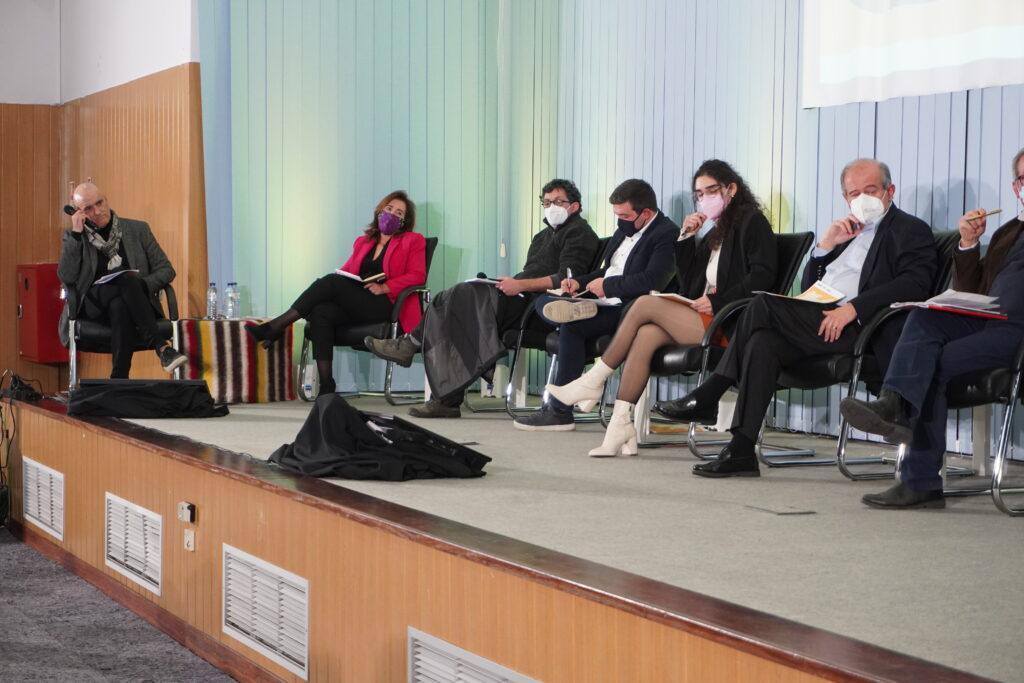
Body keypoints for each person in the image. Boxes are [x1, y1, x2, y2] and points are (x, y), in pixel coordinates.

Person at [656, 158, 938, 478]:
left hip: (859, 327)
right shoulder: (846, 231)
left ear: (890, 191)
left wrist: (854, 308)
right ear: (845, 198)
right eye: (853, 193)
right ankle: (741, 450)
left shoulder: (909, 229)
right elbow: (809, 288)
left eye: (870, 190)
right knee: (763, 342)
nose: (861, 199)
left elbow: (915, 283)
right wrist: (824, 247)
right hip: (818, 318)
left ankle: (709, 393)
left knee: (760, 305)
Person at [542, 161, 778, 452]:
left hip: (730, 322)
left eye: (711, 191)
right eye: (699, 194)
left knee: (644, 303)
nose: (704, 198)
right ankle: (619, 425)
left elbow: (763, 277)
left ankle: (594, 379)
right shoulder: (717, 231)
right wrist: (687, 238)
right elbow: (689, 282)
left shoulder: (752, 222)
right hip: (702, 314)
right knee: (646, 334)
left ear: (731, 189)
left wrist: (717, 301)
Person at [842, 148, 1024, 509]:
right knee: (922, 317)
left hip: (1016, 333)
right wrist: (968, 245)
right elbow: (972, 289)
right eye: (1023, 178)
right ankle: (892, 403)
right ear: (1016, 187)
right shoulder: (1009, 231)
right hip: (986, 318)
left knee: (932, 363)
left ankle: (920, 480)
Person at [364, 179, 601, 418]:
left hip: (544, 307)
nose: (551, 207)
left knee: (461, 297)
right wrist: (511, 283)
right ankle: (444, 396)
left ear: (574, 206)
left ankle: (412, 349)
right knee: (451, 300)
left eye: (558, 202)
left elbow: (566, 279)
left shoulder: (579, 233)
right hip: (520, 298)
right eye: (547, 202)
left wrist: (518, 284)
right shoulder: (542, 237)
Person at [511, 178, 679, 431]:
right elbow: (607, 271)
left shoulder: (666, 234)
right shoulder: (625, 231)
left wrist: (607, 287)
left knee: (572, 325)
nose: (620, 221)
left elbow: (653, 280)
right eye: (616, 215)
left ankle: (559, 411)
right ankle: (566, 401)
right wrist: (578, 283)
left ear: (645, 213)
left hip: (632, 309)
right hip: (604, 300)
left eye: (624, 215)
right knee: (546, 303)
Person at [247, 191, 426, 396]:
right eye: (389, 208)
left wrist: (385, 287)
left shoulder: (413, 240)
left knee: (331, 282)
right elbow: (346, 271)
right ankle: (327, 387)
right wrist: (334, 286)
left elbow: (417, 275)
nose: (392, 214)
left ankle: (276, 326)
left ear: (404, 221)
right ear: (380, 212)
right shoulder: (363, 242)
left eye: (399, 213)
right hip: (359, 302)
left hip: (386, 304)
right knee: (321, 311)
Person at [57, 182, 187, 378]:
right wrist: (76, 235)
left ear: (106, 200)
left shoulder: (138, 229)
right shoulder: (75, 236)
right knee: (127, 279)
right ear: (78, 212)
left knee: (120, 303)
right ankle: (161, 347)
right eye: (88, 208)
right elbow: (66, 276)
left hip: (132, 304)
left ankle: (119, 378)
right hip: (94, 307)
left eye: (100, 203)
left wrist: (142, 285)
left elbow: (167, 270)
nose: (98, 211)